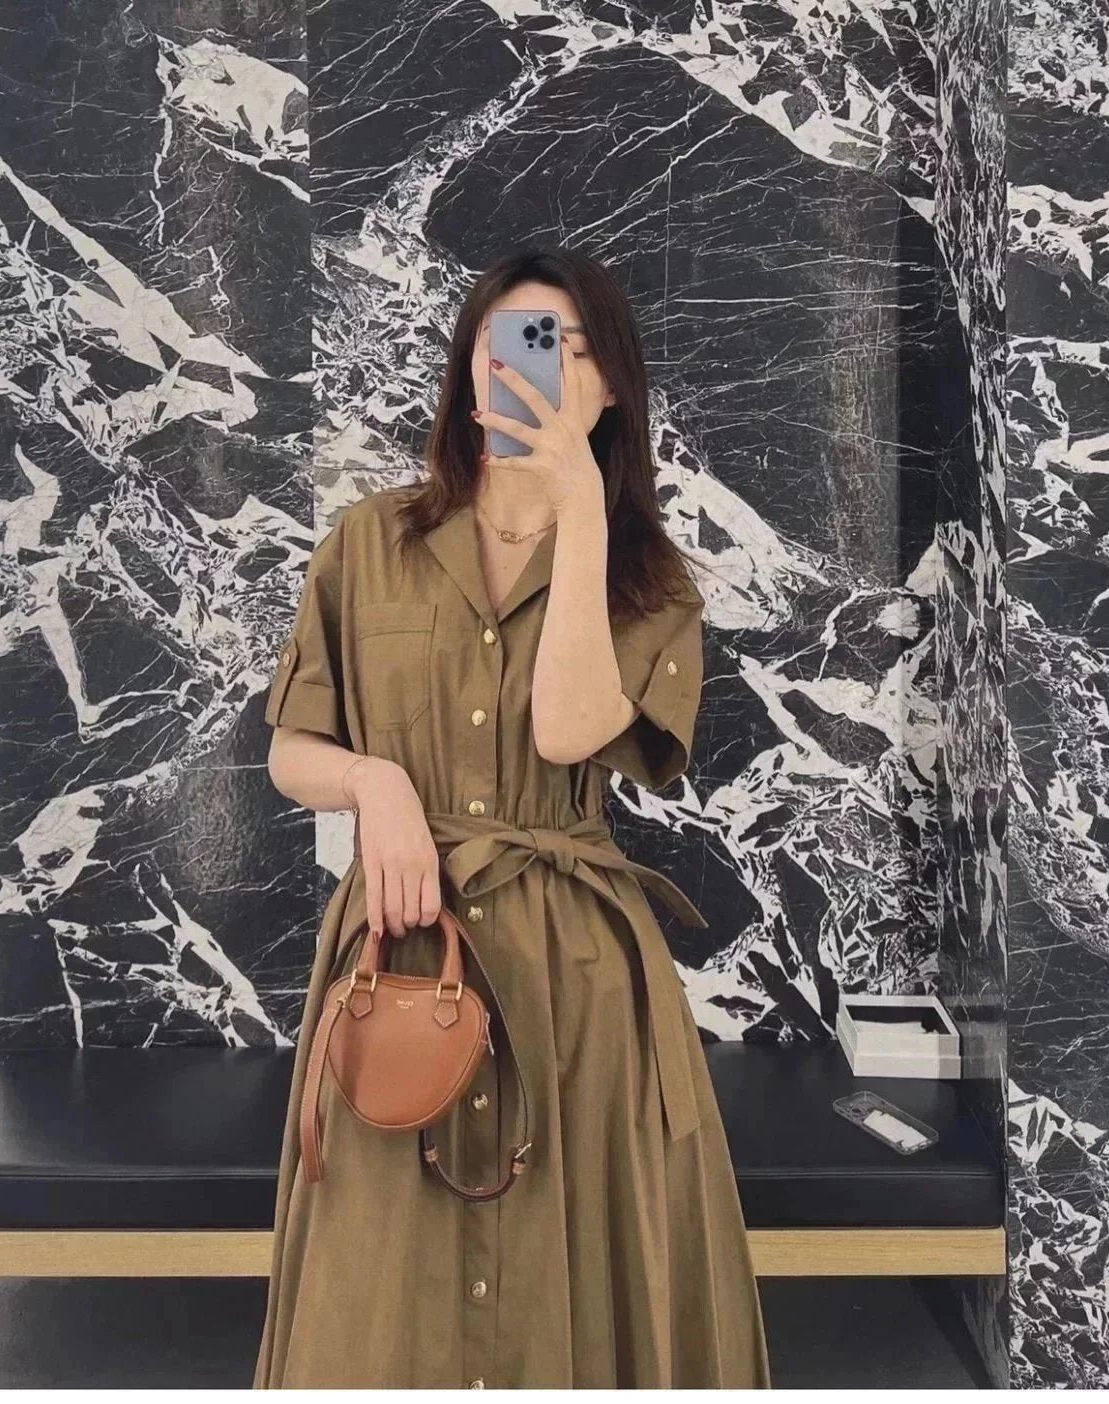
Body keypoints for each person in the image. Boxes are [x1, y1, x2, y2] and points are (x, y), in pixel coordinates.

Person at [252, 246, 771, 1389]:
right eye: (504, 345)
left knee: (567, 1301)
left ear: (608, 384)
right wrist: (376, 786)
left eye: (557, 347)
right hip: (397, 961)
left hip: (574, 987)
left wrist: (580, 509)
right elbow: (291, 749)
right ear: (469, 369)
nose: (524, 369)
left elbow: (568, 727)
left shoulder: (650, 584)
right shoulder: (368, 543)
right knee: (374, 1312)